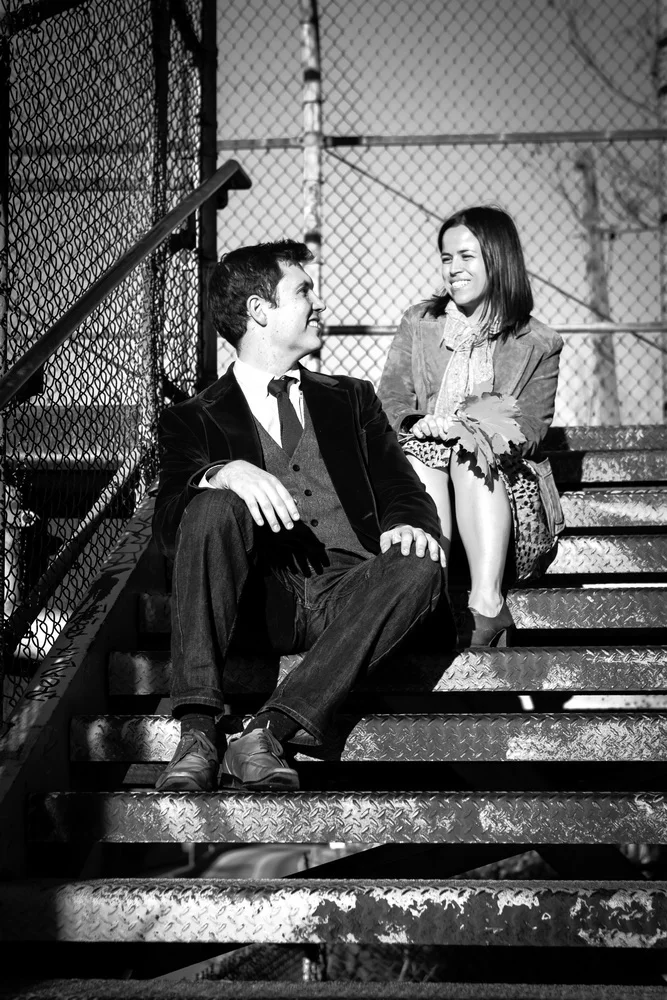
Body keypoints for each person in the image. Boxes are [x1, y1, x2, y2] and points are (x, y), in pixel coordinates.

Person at [152, 239, 448, 793]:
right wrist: (220, 472)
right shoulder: (192, 418)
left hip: (352, 592)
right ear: (259, 311)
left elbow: (400, 486)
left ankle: (267, 730)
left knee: (421, 562)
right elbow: (169, 525)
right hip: (261, 600)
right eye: (304, 291)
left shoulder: (352, 399)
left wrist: (408, 523)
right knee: (212, 504)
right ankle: (197, 732)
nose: (320, 303)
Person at [378, 206, 563, 647]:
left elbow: (532, 427)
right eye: (446, 258)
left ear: (498, 260)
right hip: (426, 468)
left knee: (468, 452)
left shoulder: (539, 342)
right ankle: (429, 601)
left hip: (504, 492)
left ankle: (487, 604)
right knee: (422, 456)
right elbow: (389, 400)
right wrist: (420, 423)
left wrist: (474, 430)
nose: (453, 269)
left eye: (466, 256)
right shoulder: (420, 323)